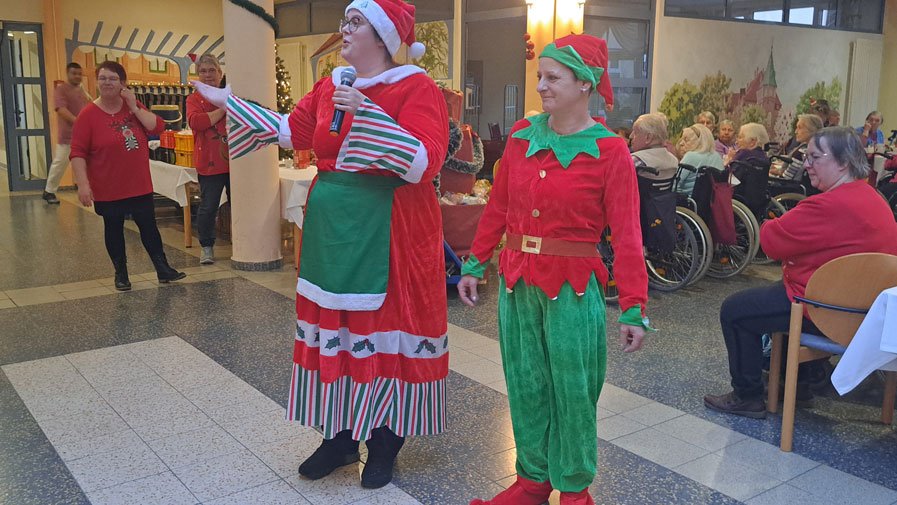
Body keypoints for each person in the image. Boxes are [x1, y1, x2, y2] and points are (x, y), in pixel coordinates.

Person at [192, 0, 449, 489]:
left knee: (384, 329)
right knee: (339, 331)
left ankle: (386, 440)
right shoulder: (332, 84)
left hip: (391, 230)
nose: (343, 29)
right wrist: (227, 101)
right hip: (333, 228)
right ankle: (340, 435)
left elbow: (425, 163)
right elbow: (293, 130)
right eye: (346, 19)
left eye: (355, 22)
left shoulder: (417, 87)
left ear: (382, 35)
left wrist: (368, 114)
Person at [458, 34, 650, 505]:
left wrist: (633, 306)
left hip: (575, 288)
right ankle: (532, 480)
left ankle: (576, 489)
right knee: (525, 383)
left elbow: (628, 235)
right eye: (539, 76)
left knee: (573, 389)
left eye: (552, 77)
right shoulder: (523, 137)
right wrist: (474, 262)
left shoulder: (611, 152)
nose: (541, 86)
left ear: (585, 84)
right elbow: (498, 209)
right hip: (517, 282)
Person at [704, 127, 897, 418]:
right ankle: (799, 383)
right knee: (790, 290)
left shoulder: (825, 205)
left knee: (735, 310)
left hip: (824, 312)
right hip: (866, 315)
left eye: (815, 157)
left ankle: (747, 395)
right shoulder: (874, 199)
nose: (806, 164)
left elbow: (770, 241)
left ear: (843, 163)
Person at [70, 61, 186, 291]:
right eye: (103, 78)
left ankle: (163, 268)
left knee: (148, 227)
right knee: (113, 228)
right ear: (97, 82)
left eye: (113, 78)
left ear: (123, 83)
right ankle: (121, 273)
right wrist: (83, 185)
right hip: (107, 185)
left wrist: (133, 106)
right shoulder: (88, 115)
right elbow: (77, 153)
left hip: (138, 183)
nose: (107, 83)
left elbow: (157, 127)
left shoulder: (132, 106)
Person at [186, 54, 230, 265]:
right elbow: (198, 122)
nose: (207, 75)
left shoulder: (230, 94)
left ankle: (241, 242)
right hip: (209, 161)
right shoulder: (193, 100)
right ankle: (206, 246)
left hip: (235, 161)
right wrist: (224, 109)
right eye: (203, 71)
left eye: (211, 70)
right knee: (209, 206)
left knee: (239, 204)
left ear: (219, 74)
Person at [44, 62, 90, 204]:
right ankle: (49, 191)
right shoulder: (61, 89)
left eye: (79, 74)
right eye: (74, 73)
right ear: (67, 73)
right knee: (60, 163)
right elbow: (61, 110)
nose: (77, 76)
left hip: (84, 135)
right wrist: (78, 122)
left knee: (91, 162)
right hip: (67, 136)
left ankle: (91, 189)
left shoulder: (82, 91)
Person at [770, 114, 822, 180]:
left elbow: (786, 179)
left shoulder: (802, 152)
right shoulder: (819, 150)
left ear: (811, 130)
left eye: (799, 128)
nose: (796, 131)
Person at [677, 123, 724, 196]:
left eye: (686, 140)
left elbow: (675, 185)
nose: (681, 143)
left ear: (698, 141)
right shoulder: (717, 157)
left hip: (689, 202)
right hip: (713, 202)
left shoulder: (690, 156)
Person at [630, 113, 679, 180]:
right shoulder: (674, 161)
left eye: (635, 133)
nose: (631, 136)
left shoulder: (635, 160)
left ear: (648, 138)